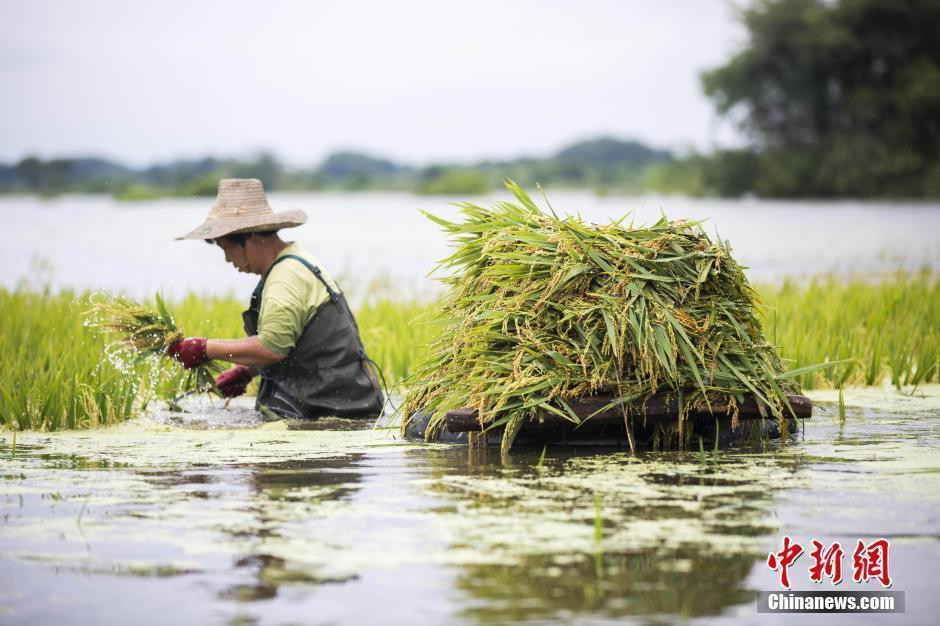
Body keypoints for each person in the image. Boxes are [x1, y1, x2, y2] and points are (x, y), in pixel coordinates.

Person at [169, 178, 384, 420]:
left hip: (330, 409)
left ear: (249, 237)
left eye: (226, 248)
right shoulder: (293, 261)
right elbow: (295, 343)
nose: (228, 259)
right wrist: (246, 371)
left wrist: (203, 349)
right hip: (338, 400)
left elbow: (271, 348)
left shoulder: (285, 278)